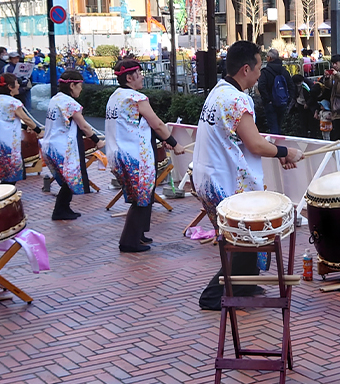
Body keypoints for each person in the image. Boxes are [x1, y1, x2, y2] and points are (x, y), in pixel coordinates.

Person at [192, 41, 303, 310]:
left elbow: (244, 139)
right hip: (225, 181)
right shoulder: (237, 99)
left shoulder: (219, 91)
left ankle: (244, 285)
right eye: (258, 68)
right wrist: (286, 152)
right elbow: (254, 144)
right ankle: (215, 296)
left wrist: (277, 153)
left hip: (209, 178)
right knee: (243, 240)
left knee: (243, 240)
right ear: (245, 69)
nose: (260, 74)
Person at [106, 60, 185, 253]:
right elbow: (157, 123)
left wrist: (162, 139)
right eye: (139, 74)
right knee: (141, 197)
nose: (142, 77)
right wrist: (175, 144)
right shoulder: (136, 97)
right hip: (135, 157)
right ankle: (129, 242)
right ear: (130, 77)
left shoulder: (115, 97)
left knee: (143, 196)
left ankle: (140, 234)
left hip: (118, 154)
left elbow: (142, 125)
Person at [41, 70, 103, 220]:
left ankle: (64, 208)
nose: (81, 89)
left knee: (67, 180)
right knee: (70, 180)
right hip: (62, 148)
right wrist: (97, 140)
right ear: (72, 85)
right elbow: (84, 126)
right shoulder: (70, 103)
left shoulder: (55, 99)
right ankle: (59, 211)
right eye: (79, 86)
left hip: (49, 145)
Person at [0, 74, 42, 184]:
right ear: (10, 87)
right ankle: (7, 199)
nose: (18, 86)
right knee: (11, 178)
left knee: (5, 176)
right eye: (17, 83)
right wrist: (38, 131)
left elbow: (6, 120)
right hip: (8, 145)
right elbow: (26, 118)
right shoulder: (12, 102)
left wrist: (25, 127)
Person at [257, 48, 293, 134]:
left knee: (273, 126)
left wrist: (267, 100)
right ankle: (279, 143)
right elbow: (291, 85)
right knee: (279, 125)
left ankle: (275, 146)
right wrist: (288, 99)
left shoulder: (265, 72)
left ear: (269, 58)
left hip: (270, 103)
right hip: (282, 101)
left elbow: (261, 86)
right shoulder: (284, 71)